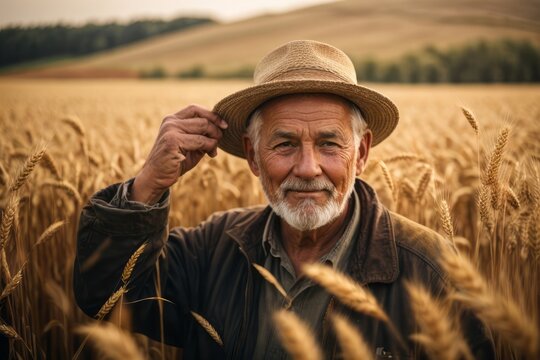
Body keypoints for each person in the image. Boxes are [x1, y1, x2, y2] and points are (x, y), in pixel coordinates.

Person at [74, 40, 493, 359]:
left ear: (361, 153)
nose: (308, 168)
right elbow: (107, 297)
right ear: (253, 156)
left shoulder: (429, 269)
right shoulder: (213, 249)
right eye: (285, 144)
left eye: (329, 144)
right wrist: (147, 186)